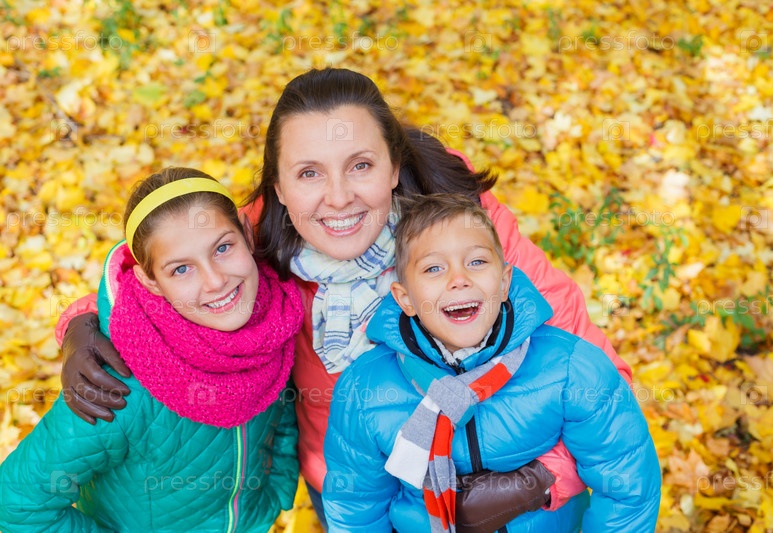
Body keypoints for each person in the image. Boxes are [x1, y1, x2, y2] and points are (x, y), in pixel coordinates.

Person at [54, 68, 633, 528]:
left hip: (509, 490)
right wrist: (82, 326)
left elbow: (603, 381)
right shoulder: (260, 241)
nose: (337, 198)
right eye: (309, 173)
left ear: (393, 166)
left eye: (359, 166)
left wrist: (538, 482)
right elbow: (159, 279)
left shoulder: (471, 235)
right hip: (353, 494)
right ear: (279, 188)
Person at [323, 194, 661, 532]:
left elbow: (627, 482)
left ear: (503, 283)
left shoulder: (570, 367)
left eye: (477, 262)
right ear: (405, 298)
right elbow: (356, 507)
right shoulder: (365, 391)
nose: (459, 278)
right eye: (434, 268)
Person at [0, 168, 303, 531]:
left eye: (223, 248)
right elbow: (18, 501)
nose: (215, 281)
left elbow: (282, 411)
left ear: (246, 234)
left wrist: (277, 489)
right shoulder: (117, 385)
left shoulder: (274, 323)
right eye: (181, 269)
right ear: (150, 280)